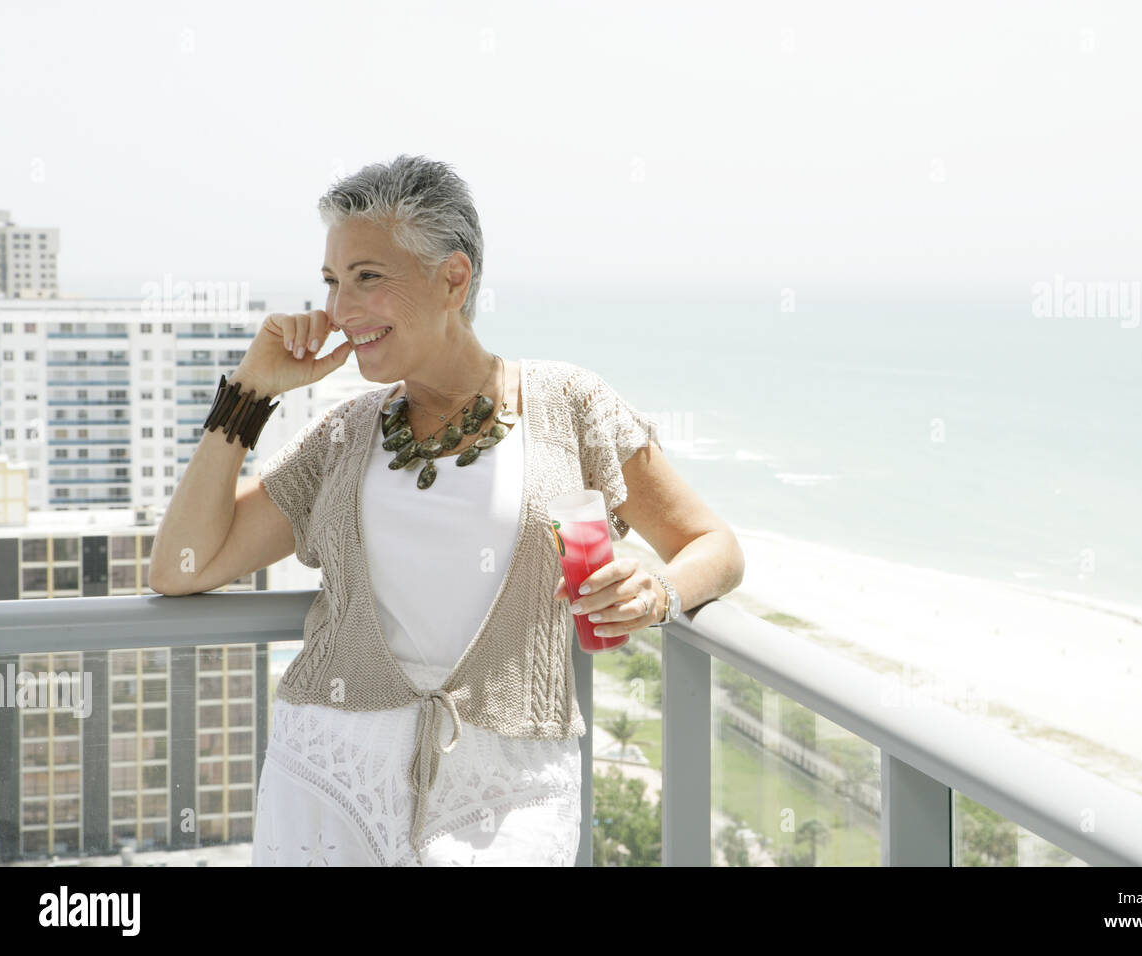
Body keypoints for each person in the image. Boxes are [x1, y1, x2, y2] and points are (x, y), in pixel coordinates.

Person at [149, 154, 745, 865]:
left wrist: (660, 591)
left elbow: (713, 543)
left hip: (508, 794)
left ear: (452, 279)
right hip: (331, 776)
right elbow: (181, 567)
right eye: (334, 283)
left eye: (368, 278)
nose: (341, 310)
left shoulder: (570, 406)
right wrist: (250, 390)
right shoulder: (343, 436)